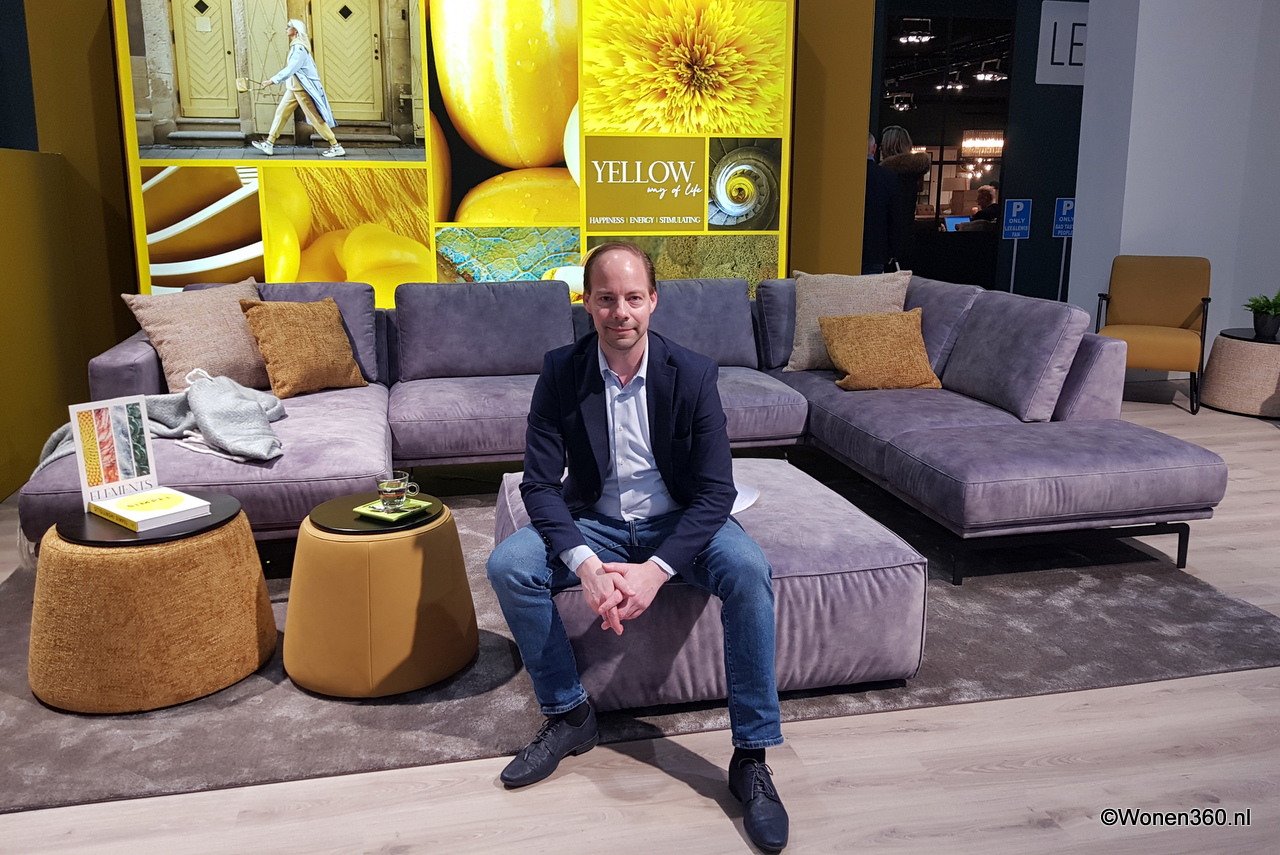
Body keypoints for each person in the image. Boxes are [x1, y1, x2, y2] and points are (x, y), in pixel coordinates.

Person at [486, 242, 789, 852]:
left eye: (632, 298)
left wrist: (654, 571)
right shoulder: (561, 371)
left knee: (748, 569)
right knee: (510, 565)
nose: (619, 312)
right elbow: (539, 485)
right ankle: (570, 714)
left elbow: (715, 491)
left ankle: (751, 756)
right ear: (587, 303)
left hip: (677, 522)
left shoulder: (693, 373)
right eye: (606, 298)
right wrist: (585, 564)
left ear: (653, 301)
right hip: (594, 520)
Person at [252, 19, 345, 158]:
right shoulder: (297, 46)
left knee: (315, 118)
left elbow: (291, 68)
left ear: (295, 30)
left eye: (288, 26)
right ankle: (269, 142)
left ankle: (335, 145)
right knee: (281, 113)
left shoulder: (299, 48)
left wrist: (273, 80)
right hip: (294, 88)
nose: (286, 28)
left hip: (302, 89)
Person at [878, 125, 932, 268]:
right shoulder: (912, 174)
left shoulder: (887, 176)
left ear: (887, 146)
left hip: (886, 245)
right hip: (905, 242)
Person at [863, 132, 900, 274]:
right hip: (876, 249)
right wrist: (892, 249)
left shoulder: (842, 176)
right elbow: (894, 217)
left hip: (842, 246)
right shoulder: (888, 177)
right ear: (874, 148)